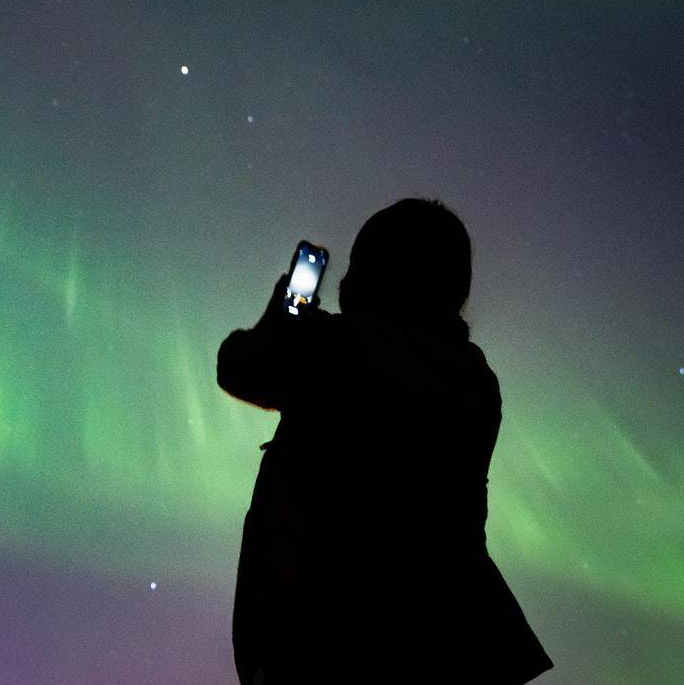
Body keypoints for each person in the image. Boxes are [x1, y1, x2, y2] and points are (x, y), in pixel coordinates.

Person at [217, 198, 553, 684]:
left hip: (329, 642)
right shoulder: (475, 378)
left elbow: (241, 366)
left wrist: (285, 315)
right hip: (447, 641)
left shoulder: (338, 346)